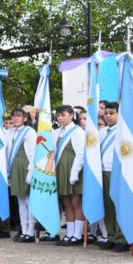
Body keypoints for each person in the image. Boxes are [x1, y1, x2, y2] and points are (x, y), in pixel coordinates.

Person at [98, 102, 129, 252]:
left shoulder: (124, 131)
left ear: (119, 114)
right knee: (107, 205)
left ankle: (122, 238)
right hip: (102, 171)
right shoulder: (102, 131)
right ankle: (110, 236)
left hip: (117, 172)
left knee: (118, 205)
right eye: (106, 113)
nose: (108, 116)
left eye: (112, 113)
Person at [54, 105, 85, 246]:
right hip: (61, 169)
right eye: (58, 115)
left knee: (76, 203)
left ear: (71, 115)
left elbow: (80, 154)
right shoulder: (56, 132)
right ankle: (69, 233)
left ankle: (77, 234)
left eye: (63, 115)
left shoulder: (77, 131)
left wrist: (75, 172)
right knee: (66, 203)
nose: (60, 118)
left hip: (73, 168)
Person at [6, 108, 36, 242]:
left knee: (29, 200)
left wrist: (31, 171)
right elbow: (3, 148)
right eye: (13, 116)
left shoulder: (29, 132)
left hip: (25, 166)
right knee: (20, 200)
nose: (15, 118)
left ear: (25, 118)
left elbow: (33, 153)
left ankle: (31, 231)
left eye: (18, 116)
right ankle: (24, 230)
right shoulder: (9, 132)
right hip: (14, 167)